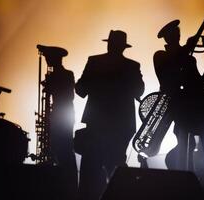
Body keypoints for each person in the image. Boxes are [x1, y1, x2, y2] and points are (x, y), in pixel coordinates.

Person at [153, 20, 204, 188]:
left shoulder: (188, 59)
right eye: (174, 35)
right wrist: (186, 49)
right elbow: (169, 78)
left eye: (178, 34)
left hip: (199, 108)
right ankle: (183, 184)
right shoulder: (161, 56)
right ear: (167, 38)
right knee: (185, 146)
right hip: (180, 109)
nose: (177, 36)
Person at [75, 30, 144, 200]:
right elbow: (139, 91)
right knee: (116, 170)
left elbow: (81, 90)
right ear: (123, 47)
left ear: (109, 44)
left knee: (90, 171)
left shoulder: (95, 62)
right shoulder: (132, 66)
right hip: (122, 126)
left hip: (97, 124)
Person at [39, 45, 78, 200]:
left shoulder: (66, 74)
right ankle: (63, 185)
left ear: (56, 58)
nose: (47, 60)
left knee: (65, 151)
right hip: (58, 115)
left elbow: (69, 96)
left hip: (62, 115)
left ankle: (69, 188)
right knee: (58, 149)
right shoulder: (61, 75)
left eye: (49, 57)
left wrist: (51, 85)